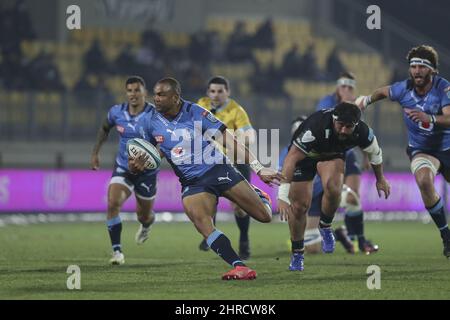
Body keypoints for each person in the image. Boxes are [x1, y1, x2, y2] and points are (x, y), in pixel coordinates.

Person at [131, 77, 282, 280]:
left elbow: (229, 140)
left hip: (219, 169)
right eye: (155, 94)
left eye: (161, 94)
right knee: (202, 222)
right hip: (192, 182)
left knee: (264, 216)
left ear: (175, 98)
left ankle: (257, 195)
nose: (155, 99)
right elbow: (152, 152)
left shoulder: (195, 112)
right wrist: (139, 165)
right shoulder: (150, 121)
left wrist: (258, 168)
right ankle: (239, 266)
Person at [355, 45, 450, 258]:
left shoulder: (443, 88)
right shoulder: (403, 88)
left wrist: (431, 119)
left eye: (422, 67)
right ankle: (446, 236)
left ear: (432, 70)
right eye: (413, 66)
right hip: (422, 150)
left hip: (447, 147)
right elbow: (382, 91)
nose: (416, 71)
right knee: (424, 181)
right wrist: (366, 100)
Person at [278, 102, 391, 271]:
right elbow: (291, 159)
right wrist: (282, 195)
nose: (344, 130)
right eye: (340, 125)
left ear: (356, 125)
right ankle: (297, 254)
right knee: (300, 207)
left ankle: (325, 227)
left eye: (349, 127)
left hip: (332, 156)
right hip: (305, 157)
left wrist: (380, 179)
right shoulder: (315, 127)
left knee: (334, 187)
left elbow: (375, 153)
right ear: (333, 119)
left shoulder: (363, 131)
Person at [91, 76, 158, 265]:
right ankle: (117, 252)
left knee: (143, 215)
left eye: (137, 90)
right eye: (129, 90)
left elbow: (164, 142)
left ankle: (147, 224)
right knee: (113, 203)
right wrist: (95, 152)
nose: (133, 94)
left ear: (145, 92)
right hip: (123, 166)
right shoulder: (116, 112)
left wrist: (149, 159)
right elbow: (105, 128)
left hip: (147, 172)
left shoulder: (154, 114)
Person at [315, 72, 379, 254]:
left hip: (349, 154)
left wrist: (365, 157)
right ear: (337, 87)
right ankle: (321, 230)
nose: (346, 90)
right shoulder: (326, 102)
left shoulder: (355, 108)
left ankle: (355, 238)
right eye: (343, 86)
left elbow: (361, 133)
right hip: (329, 154)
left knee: (353, 196)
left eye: (350, 87)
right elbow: (320, 125)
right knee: (329, 192)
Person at [196, 76, 256, 259]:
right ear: (208, 93)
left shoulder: (236, 110)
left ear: (227, 92)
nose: (216, 95)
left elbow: (250, 136)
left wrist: (231, 142)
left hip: (234, 161)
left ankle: (244, 239)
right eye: (213, 91)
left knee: (239, 207)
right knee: (208, 202)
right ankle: (210, 236)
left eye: (220, 91)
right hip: (209, 161)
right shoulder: (201, 104)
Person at [278, 116, 354, 254]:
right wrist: (285, 197)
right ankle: (338, 234)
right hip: (304, 198)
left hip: (319, 196)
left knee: (313, 249)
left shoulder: (323, 146)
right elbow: (283, 176)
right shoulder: (288, 153)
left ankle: (343, 234)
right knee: (309, 245)